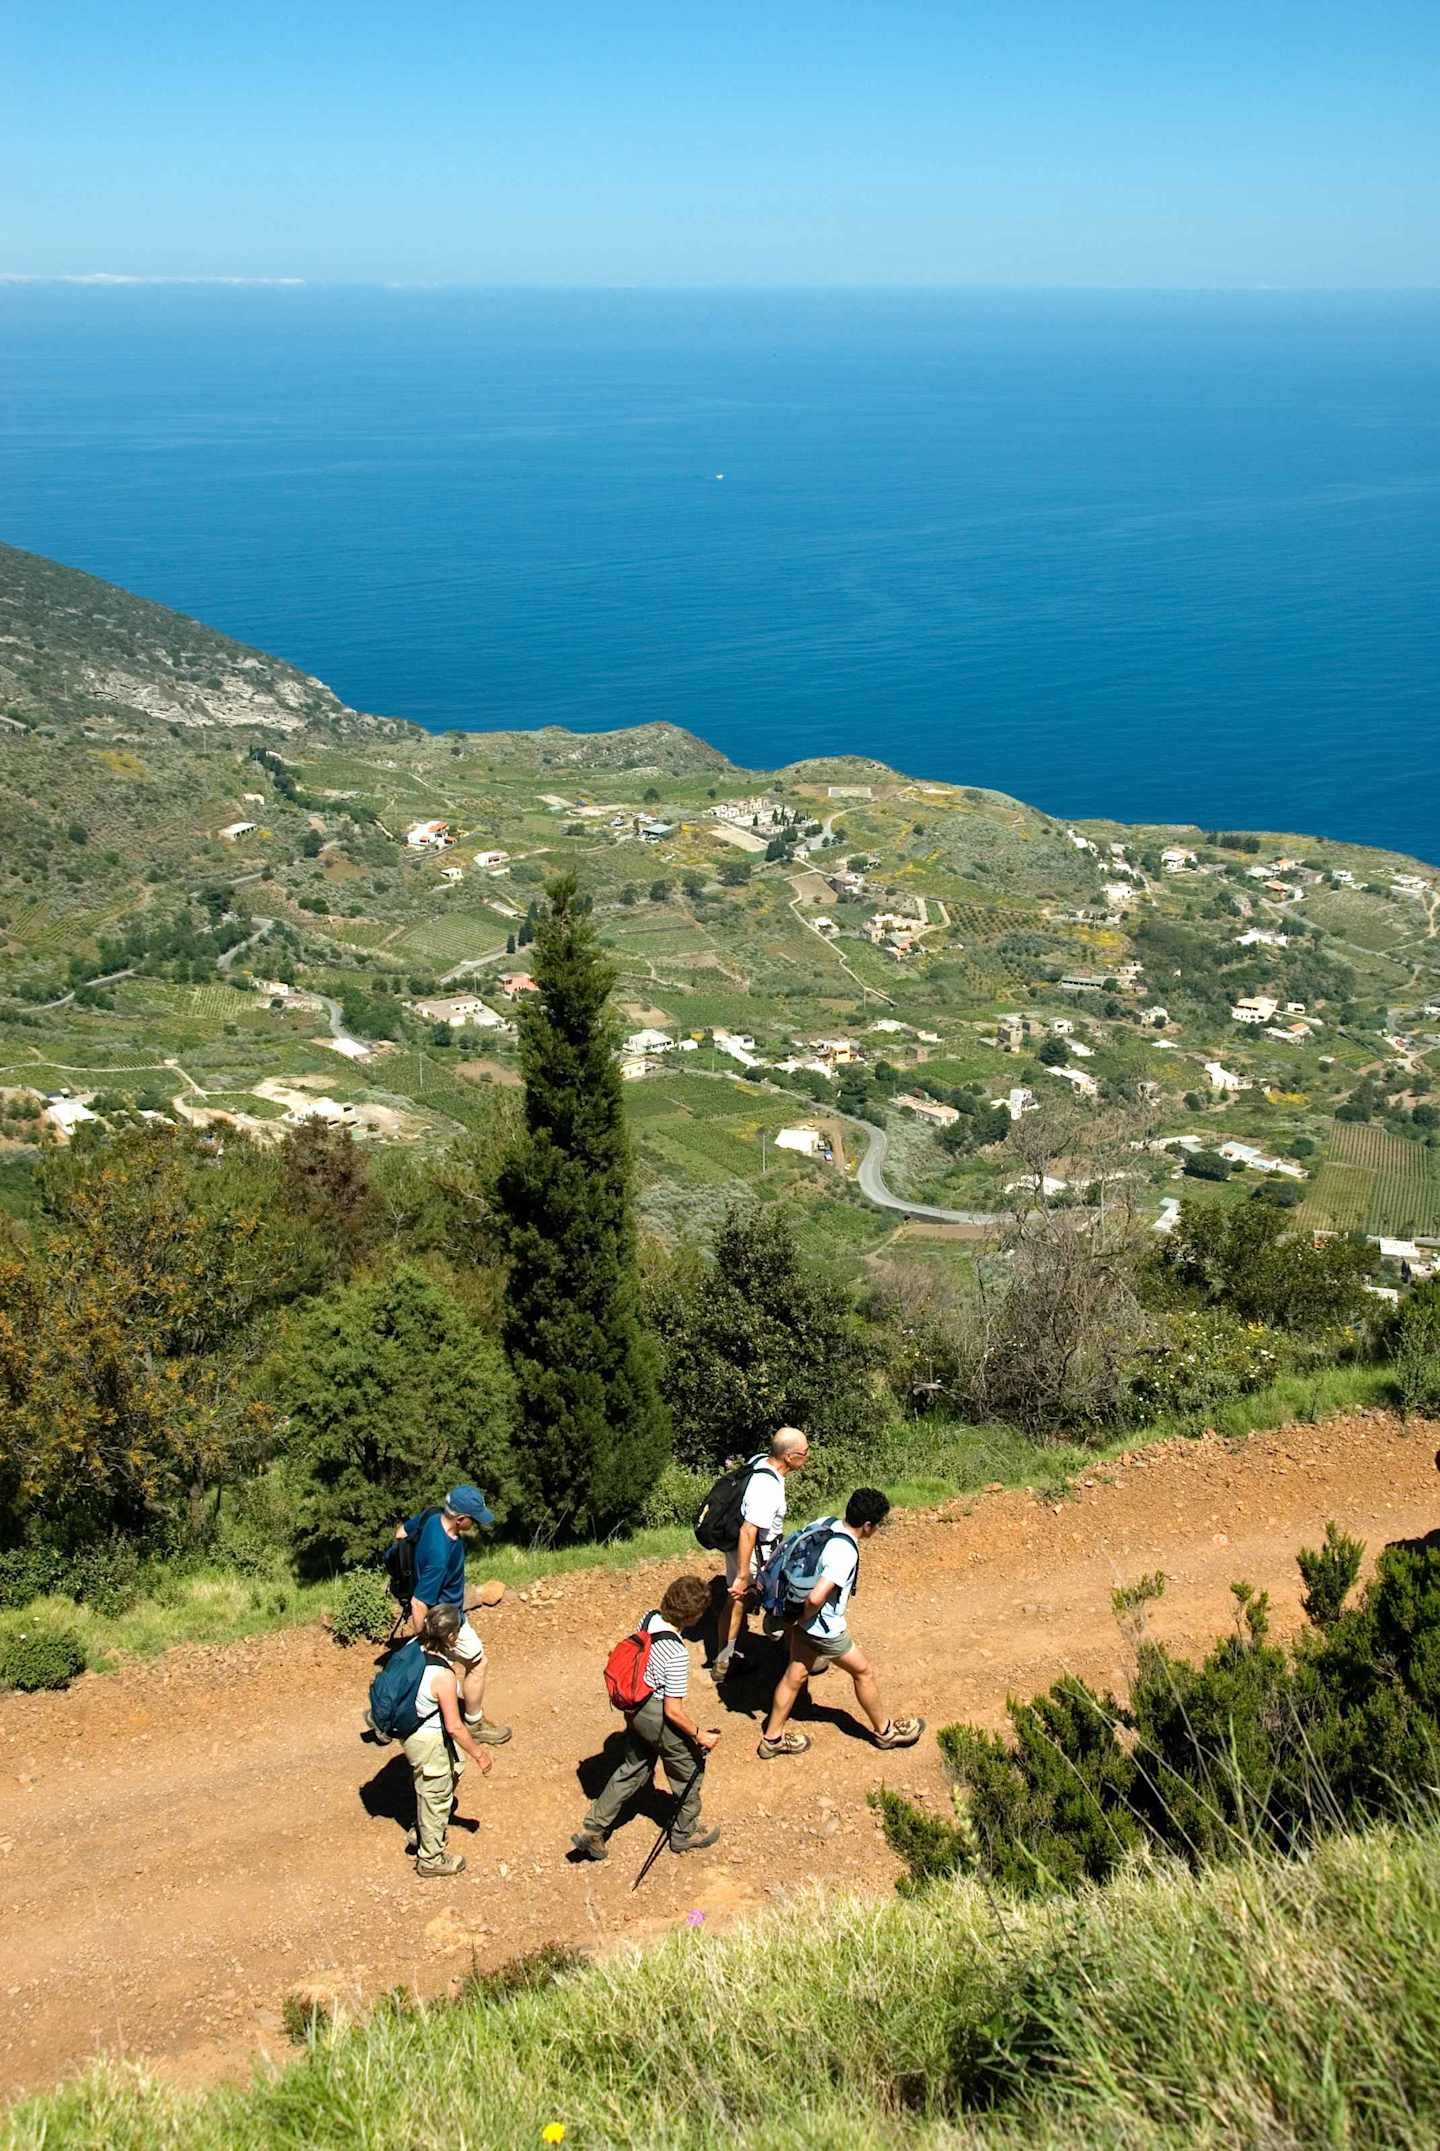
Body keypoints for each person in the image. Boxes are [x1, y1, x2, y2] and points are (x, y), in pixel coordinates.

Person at [756, 1488, 925, 1760]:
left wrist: (795, 1621)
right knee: (863, 1672)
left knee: (796, 1674)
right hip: (822, 1627)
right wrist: (805, 1618)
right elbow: (817, 1596)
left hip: (796, 1617)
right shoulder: (844, 1551)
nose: (877, 1529)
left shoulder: (824, 1523)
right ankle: (886, 1733)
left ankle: (772, 1739)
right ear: (868, 1525)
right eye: (877, 1524)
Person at [572, 1575, 721, 1861]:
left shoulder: (649, 1617)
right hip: (656, 1714)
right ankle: (684, 1834)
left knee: (634, 1767)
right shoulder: (677, 1651)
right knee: (689, 1769)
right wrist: (699, 1734)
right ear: (692, 1617)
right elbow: (673, 1712)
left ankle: (593, 1829)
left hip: (634, 1707)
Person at [396, 1485, 511, 1746]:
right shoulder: (440, 1554)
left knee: (430, 1670)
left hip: (440, 1615)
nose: (476, 1523)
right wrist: (425, 1643)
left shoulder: (430, 1516)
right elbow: (418, 1603)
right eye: (474, 1518)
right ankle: (475, 1723)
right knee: (478, 1663)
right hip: (447, 1620)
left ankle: (395, 1708)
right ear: (460, 1519)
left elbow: (401, 1533)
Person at [402, 1603, 496, 1879]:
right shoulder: (442, 1675)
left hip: (413, 1728)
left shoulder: (413, 1646)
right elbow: (455, 1726)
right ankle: (430, 1858)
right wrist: (480, 1754)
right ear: (452, 1638)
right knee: (436, 1789)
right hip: (427, 1736)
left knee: (451, 1771)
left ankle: (423, 1827)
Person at [713, 1426, 810, 1683]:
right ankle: (791, 1653)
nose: (808, 1456)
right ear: (789, 1457)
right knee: (786, 1596)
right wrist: (744, 1574)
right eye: (805, 1452)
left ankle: (724, 1659)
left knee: (735, 1602)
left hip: (741, 1550)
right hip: (755, 1553)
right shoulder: (767, 1487)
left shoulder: (759, 1462)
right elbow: (748, 1530)